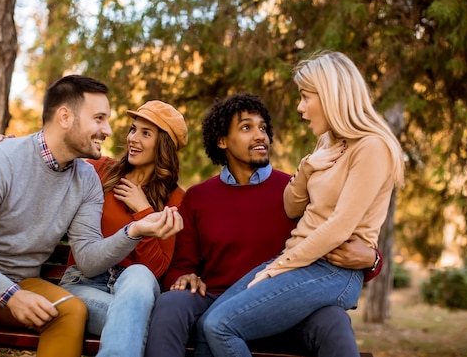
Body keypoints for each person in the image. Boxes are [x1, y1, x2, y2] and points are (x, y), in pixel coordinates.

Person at [0, 75, 182, 357]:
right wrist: (10, 294)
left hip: (22, 281)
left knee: (70, 311)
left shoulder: (87, 179)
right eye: (99, 118)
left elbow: (88, 259)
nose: (109, 130)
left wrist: (133, 231)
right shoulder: (1, 158)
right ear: (65, 116)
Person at [197, 51, 405, 357]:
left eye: (306, 97)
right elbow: (292, 208)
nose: (300, 107)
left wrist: (276, 268)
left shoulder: (372, 147)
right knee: (205, 326)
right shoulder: (326, 142)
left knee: (220, 325)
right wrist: (308, 165)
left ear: (332, 95)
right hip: (299, 260)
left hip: (333, 270)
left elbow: (340, 227)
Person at [144, 93, 382, 357]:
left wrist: (373, 261)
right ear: (222, 141)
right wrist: (183, 278)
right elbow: (180, 265)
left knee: (334, 320)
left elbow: (339, 237)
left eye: (263, 128)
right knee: (171, 303)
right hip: (217, 300)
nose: (260, 136)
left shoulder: (295, 190)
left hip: (285, 304)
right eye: (246, 128)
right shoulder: (199, 197)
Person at [57, 100, 188, 357]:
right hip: (83, 284)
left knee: (138, 274)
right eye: (133, 129)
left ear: (164, 146)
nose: (133, 139)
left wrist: (143, 212)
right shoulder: (99, 170)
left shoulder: (176, 199)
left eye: (145, 133)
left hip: (135, 291)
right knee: (140, 323)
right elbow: (53, 155)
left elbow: (155, 270)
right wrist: (12, 145)